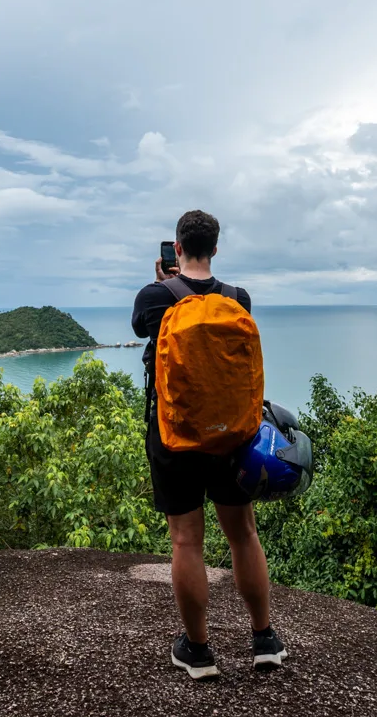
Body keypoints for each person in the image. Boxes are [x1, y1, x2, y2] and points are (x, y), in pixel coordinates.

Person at [132, 209, 287, 679]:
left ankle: (198, 651)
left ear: (176, 248)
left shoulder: (155, 297)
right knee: (243, 534)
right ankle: (264, 640)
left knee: (186, 540)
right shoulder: (239, 299)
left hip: (174, 435)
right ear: (215, 249)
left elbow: (141, 329)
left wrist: (164, 283)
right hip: (232, 436)